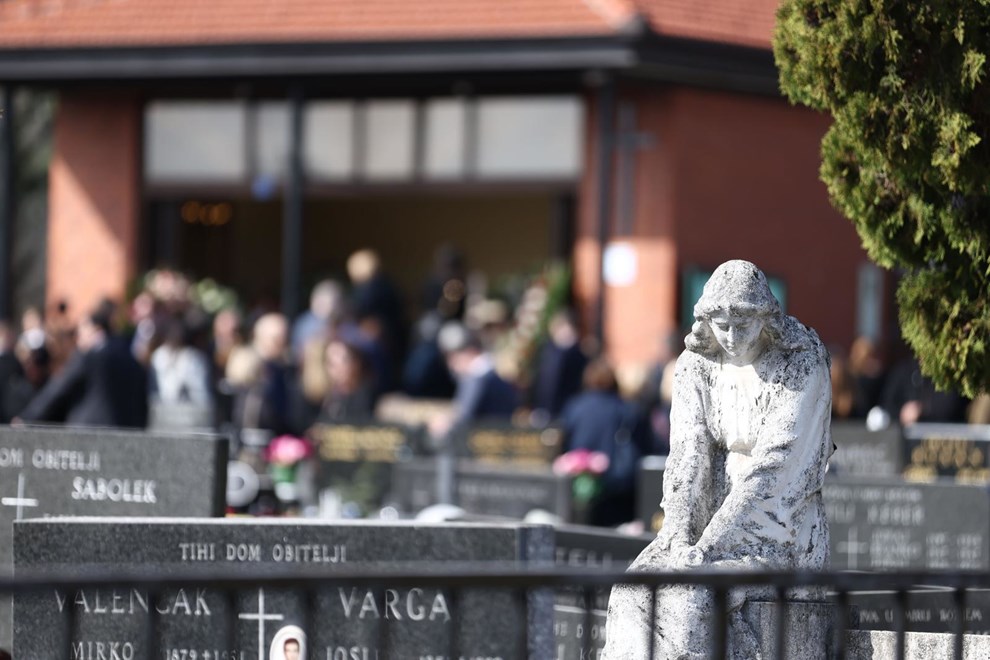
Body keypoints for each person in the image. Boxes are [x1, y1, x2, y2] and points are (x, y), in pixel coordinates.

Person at [603, 260, 833, 659]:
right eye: (721, 325)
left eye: (743, 324)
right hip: (703, 524)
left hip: (776, 528)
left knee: (688, 599)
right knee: (631, 591)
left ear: (766, 316)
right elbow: (687, 456)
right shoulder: (695, 364)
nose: (731, 336)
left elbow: (775, 467)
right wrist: (679, 535)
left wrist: (709, 547)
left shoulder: (801, 361)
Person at [18, 307, 149, 427]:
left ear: (95, 329)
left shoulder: (89, 357)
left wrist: (26, 419)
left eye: (81, 330)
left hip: (89, 433)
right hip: (126, 433)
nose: (78, 337)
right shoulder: (131, 357)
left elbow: (58, 389)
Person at [560, 358, 651, 526]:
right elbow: (645, 445)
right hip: (617, 489)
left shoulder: (575, 406)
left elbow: (564, 441)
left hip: (580, 486)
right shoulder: (627, 409)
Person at [429, 322, 518, 440]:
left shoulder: (477, 378)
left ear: (469, 351)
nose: (451, 365)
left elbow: (464, 418)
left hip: (482, 443)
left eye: (453, 357)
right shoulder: (494, 375)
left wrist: (445, 423)